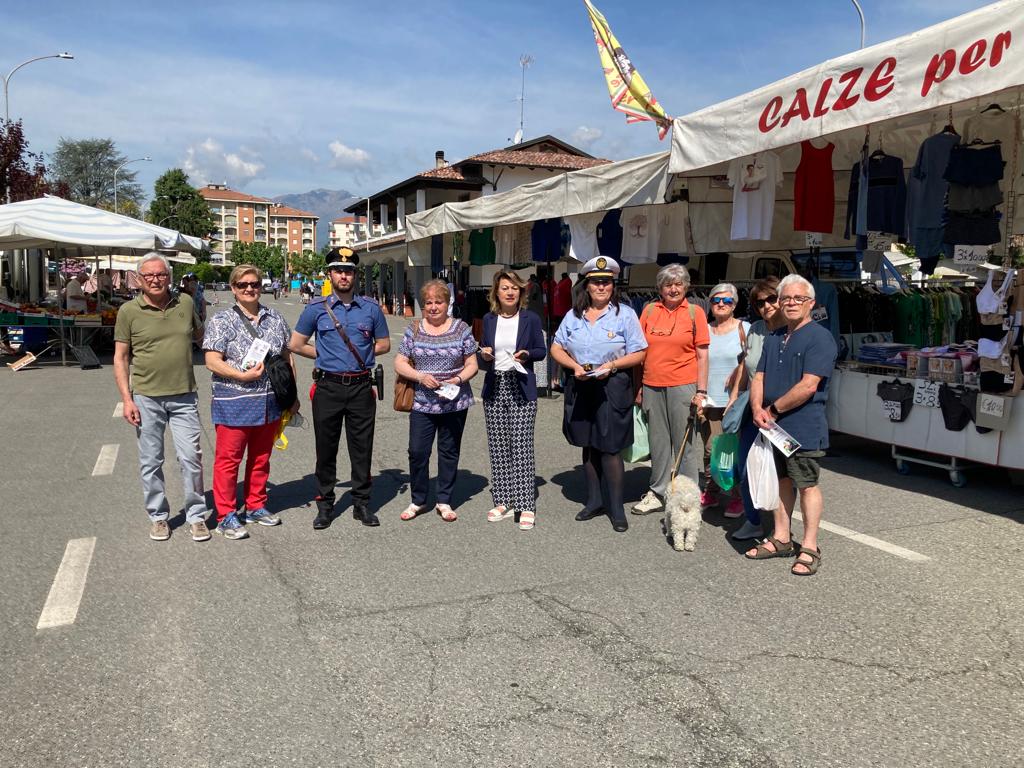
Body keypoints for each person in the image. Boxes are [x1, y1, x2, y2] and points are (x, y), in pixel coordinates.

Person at [113, 252, 212, 542]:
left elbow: (201, 337)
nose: (155, 280)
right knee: (151, 461)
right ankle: (158, 516)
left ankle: (196, 515)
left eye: (161, 274)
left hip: (184, 395)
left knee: (191, 458)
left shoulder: (185, 303)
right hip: (147, 398)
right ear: (139, 279)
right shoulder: (128, 311)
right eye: (149, 275)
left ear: (169, 277)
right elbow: (120, 358)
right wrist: (127, 399)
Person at [289, 247, 391, 529]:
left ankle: (362, 504)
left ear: (355, 276)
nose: (344, 276)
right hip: (328, 387)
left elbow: (384, 344)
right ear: (330, 275)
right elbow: (296, 344)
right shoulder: (316, 309)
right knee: (326, 449)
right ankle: (325, 504)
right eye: (338, 271)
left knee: (362, 449)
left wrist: (362, 355)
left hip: (360, 387)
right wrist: (324, 355)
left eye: (348, 271)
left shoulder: (370, 308)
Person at [745, 274, 838, 576]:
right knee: (781, 481)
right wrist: (757, 408)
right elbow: (758, 376)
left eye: (799, 298)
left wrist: (772, 410)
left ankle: (810, 546)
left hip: (802, 425)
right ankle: (782, 537)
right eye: (786, 298)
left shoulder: (820, 337)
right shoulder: (774, 337)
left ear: (811, 303)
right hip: (772, 425)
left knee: (806, 484)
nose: (791, 303)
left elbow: (809, 385)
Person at [549, 256, 647, 532]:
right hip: (581, 383)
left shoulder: (625, 314)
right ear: (587, 285)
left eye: (606, 282)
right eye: (596, 282)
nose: (601, 287)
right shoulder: (573, 315)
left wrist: (612, 366)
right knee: (588, 443)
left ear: (613, 285)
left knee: (610, 446)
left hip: (612, 384)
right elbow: (556, 347)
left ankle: (616, 508)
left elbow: (640, 352)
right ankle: (594, 501)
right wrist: (573, 366)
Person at [203, 264, 297, 540]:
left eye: (254, 284)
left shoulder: (275, 318)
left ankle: (255, 505)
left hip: (269, 401)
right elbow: (212, 361)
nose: (249, 289)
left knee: (261, 458)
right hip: (234, 401)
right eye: (242, 284)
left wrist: (292, 395)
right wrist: (241, 375)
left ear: (261, 286)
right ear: (233, 288)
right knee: (228, 461)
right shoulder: (221, 320)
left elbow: (287, 357)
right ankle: (226, 515)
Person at [394, 279, 479, 522]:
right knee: (417, 451)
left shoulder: (461, 328)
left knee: (449, 451)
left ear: (447, 303)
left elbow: (472, 363)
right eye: (428, 302)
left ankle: (444, 500)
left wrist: (458, 379)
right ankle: (418, 499)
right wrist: (420, 376)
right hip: (422, 402)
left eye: (438, 302)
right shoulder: (414, 329)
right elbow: (399, 362)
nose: (433, 307)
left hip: (454, 401)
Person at [632, 264, 710, 516]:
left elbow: (702, 354)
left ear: (686, 286)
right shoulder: (649, 310)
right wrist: (638, 386)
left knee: (685, 443)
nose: (673, 289)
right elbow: (639, 351)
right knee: (658, 443)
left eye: (678, 284)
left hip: (683, 385)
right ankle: (657, 491)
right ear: (660, 288)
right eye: (668, 284)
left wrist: (701, 391)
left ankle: (688, 496)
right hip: (652, 384)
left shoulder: (695, 312)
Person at [477, 271, 547, 530]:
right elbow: (484, 349)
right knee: (498, 445)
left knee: (521, 445)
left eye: (514, 288)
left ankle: (526, 504)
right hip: (496, 384)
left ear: (521, 292)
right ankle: (504, 500)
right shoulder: (489, 319)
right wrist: (484, 354)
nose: (509, 292)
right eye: (505, 288)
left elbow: (541, 350)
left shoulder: (530, 318)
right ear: (496, 292)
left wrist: (527, 354)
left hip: (521, 384)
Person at [729, 277, 785, 541]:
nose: (766, 306)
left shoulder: (793, 331)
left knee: (781, 473)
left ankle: (781, 528)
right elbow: (745, 364)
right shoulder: (755, 330)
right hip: (754, 409)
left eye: (772, 299)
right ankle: (753, 521)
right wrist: (734, 396)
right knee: (746, 467)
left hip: (782, 412)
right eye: (760, 303)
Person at [697, 283, 750, 516]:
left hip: (734, 402)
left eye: (727, 301)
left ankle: (738, 496)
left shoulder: (744, 329)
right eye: (716, 300)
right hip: (709, 401)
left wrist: (738, 371)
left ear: (735, 305)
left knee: (731, 450)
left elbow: (752, 359)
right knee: (711, 450)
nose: (721, 304)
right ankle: (711, 490)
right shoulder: (703, 329)